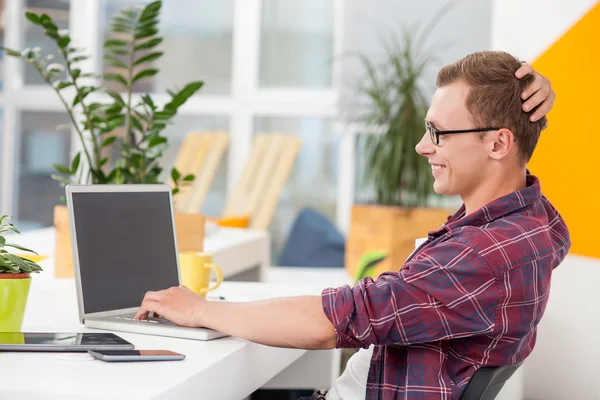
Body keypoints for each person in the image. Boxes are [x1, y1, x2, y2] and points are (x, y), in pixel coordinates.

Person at [134, 51, 568, 400]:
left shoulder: (483, 253)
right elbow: (528, 189)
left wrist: (200, 310)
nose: (422, 146)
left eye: (438, 133)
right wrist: (529, 99)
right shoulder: (534, 226)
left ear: (497, 142)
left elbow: (333, 323)